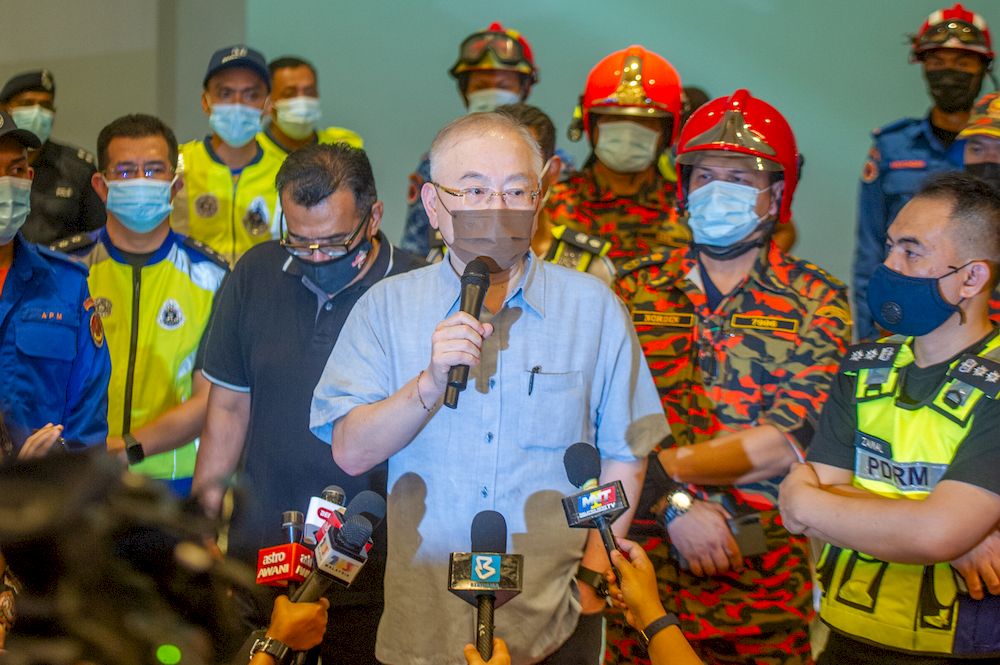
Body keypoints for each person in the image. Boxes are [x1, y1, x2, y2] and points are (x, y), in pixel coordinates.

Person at [310, 112, 667, 665]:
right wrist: (427, 385)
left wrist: (595, 580)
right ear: (434, 206)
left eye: (516, 190)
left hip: (552, 624)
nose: (496, 208)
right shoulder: (387, 306)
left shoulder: (593, 307)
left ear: (540, 198)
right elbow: (351, 451)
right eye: (474, 190)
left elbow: (625, 453)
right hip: (421, 628)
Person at [613, 90, 851, 665]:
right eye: (706, 175)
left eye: (743, 178)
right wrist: (674, 504)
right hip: (641, 575)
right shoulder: (629, 289)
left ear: (777, 194)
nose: (720, 190)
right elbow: (600, 421)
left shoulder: (819, 301)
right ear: (684, 186)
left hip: (762, 579)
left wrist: (663, 471)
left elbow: (788, 438)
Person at [193, 143, 421, 664]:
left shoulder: (417, 288)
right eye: (300, 241)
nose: (316, 258)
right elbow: (227, 409)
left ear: (374, 216)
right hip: (260, 555)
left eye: (334, 242)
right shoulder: (256, 273)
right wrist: (205, 521)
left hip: (374, 569)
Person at [780, 172, 1000, 664]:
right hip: (846, 637)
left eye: (911, 250)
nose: (888, 265)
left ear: (971, 277)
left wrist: (811, 500)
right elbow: (802, 516)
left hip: (965, 647)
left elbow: (935, 532)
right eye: (889, 246)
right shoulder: (863, 366)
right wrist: (936, 527)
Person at [50, 114, 228, 497]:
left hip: (175, 482)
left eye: (154, 171)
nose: (142, 182)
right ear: (101, 185)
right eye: (126, 172)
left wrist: (128, 447)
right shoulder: (65, 269)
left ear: (175, 184)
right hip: (77, 479)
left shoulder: (212, 276)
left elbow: (211, 398)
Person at [852, 3, 993, 340]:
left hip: (984, 321)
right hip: (904, 319)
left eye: (962, 63)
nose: (949, 72)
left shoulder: (993, 150)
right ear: (923, 66)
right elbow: (870, 248)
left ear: (984, 66)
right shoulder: (892, 146)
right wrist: (871, 336)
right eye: (938, 61)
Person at [400, 22, 574, 259]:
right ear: (465, 92)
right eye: (481, 86)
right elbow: (416, 250)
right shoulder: (438, 161)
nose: (492, 93)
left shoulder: (556, 165)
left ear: (524, 89)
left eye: (503, 86)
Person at [0, 109, 110, 452]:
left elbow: (89, 408)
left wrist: (57, 461)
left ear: (30, 177)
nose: (5, 183)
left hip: (47, 497)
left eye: (15, 170)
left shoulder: (65, 282)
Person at [540, 45, 690, 267]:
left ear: (668, 132)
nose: (628, 133)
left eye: (645, 122)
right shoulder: (551, 205)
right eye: (613, 120)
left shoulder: (689, 212)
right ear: (590, 124)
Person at [171, 45, 284, 265]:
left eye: (251, 95)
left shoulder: (287, 171)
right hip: (187, 295)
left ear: (267, 105)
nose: (237, 105)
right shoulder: (175, 166)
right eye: (225, 93)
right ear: (206, 102)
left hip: (258, 294)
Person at [497, 102, 615, 283]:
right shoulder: (450, 256)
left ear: (552, 170)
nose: (507, 179)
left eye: (525, 164)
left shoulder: (588, 268)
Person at [0, 69, 105, 244]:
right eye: (27, 103)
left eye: (45, 106)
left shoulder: (78, 168)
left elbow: (97, 236)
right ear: (4, 109)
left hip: (61, 266)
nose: (37, 113)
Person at [257, 56, 363, 157]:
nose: (302, 101)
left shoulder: (345, 147)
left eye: (309, 91)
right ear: (268, 100)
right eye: (289, 93)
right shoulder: (249, 154)